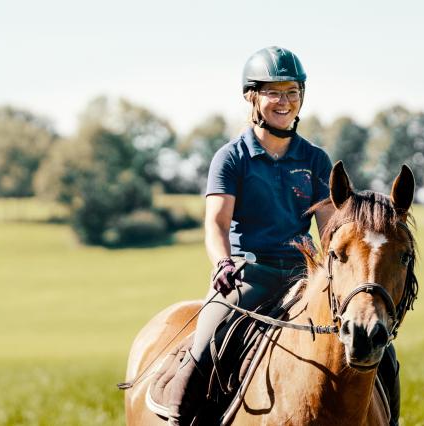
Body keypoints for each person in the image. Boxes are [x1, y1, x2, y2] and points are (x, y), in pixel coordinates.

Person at [167, 46, 400, 426]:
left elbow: (330, 232)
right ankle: (180, 417)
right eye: (273, 92)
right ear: (251, 97)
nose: (284, 101)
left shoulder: (314, 159)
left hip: (303, 276)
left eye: (292, 92)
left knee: (383, 349)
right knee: (209, 336)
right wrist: (223, 262)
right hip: (248, 274)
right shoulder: (231, 158)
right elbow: (216, 223)